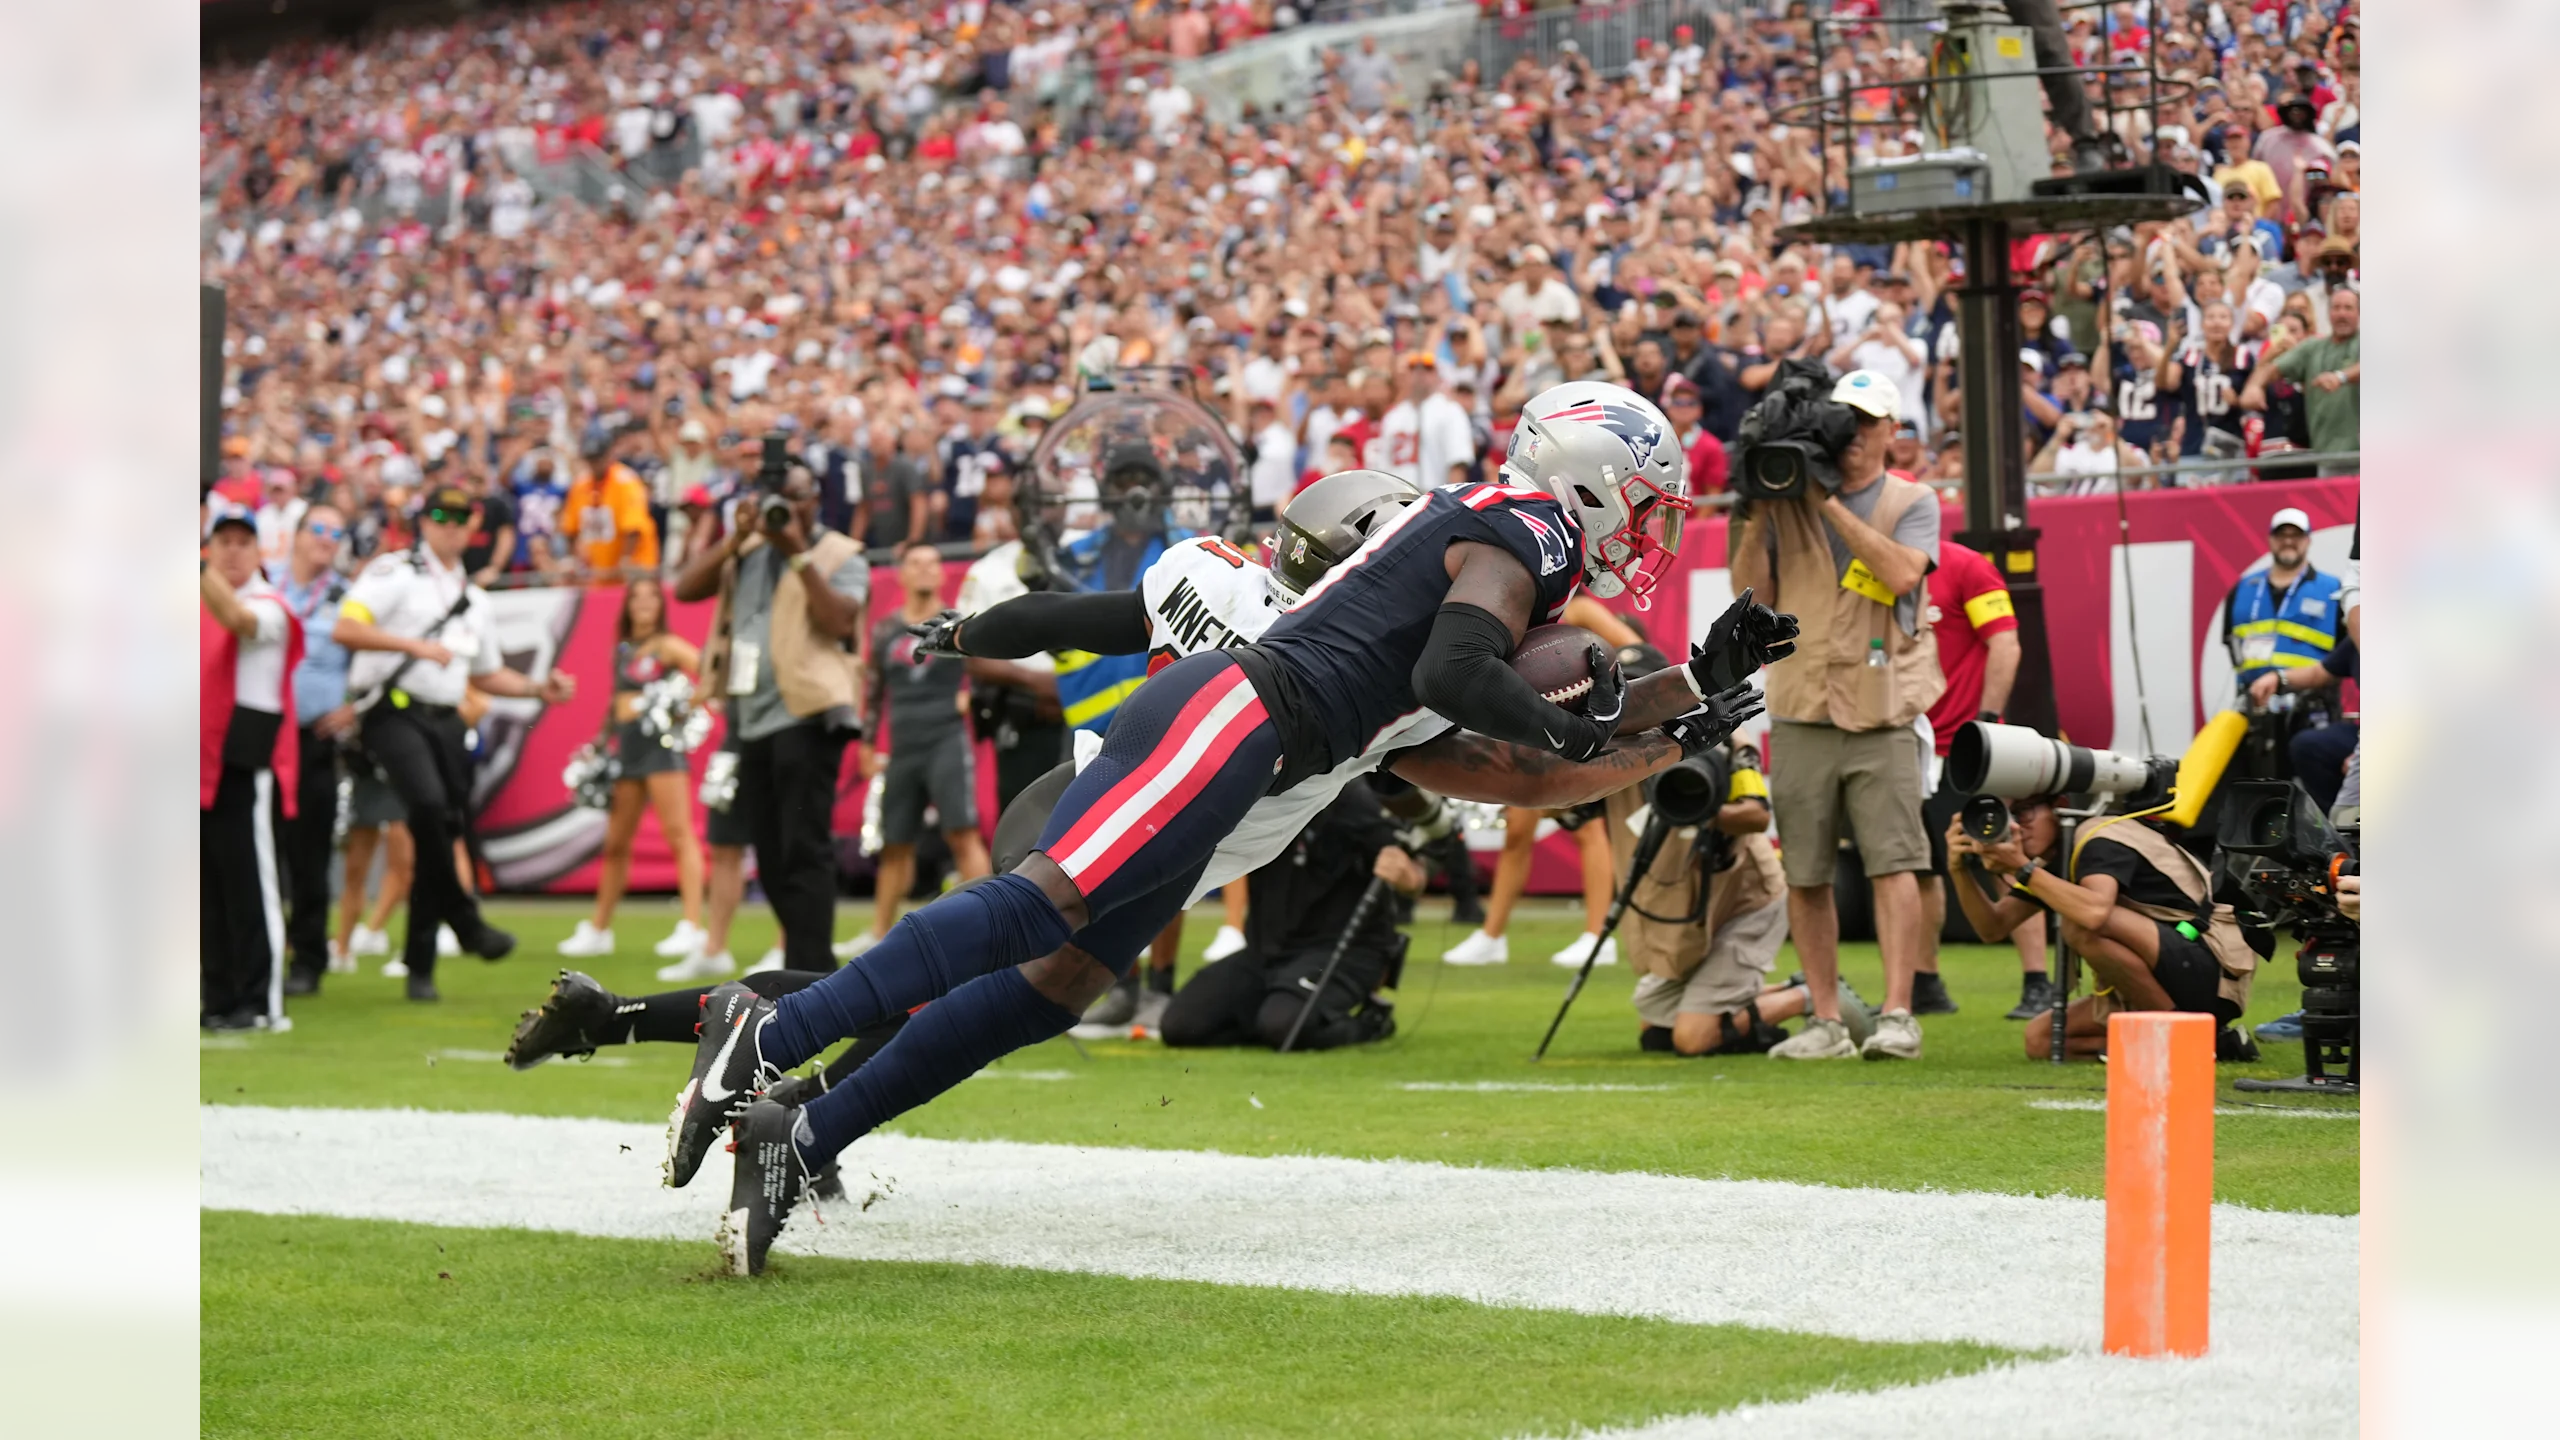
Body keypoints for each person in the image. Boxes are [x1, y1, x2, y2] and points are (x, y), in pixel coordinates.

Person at [691, 409, 1779, 1274]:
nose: (1648, 531)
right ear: (1588, 485)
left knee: (1052, 983)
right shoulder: (1522, 531)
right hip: (1242, 713)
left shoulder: (1473, 596)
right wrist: (1582, 714)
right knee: (1039, 904)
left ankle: (808, 1140)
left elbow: (1516, 769)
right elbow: (1471, 684)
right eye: (1640, 507)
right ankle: (776, 1034)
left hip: (1258, 750)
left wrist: (1686, 704)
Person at [1729, 369, 1945, 1062]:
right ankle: (1825, 1021)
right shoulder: (1786, 503)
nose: (1850, 434)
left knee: (1894, 863)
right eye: (1841, 420)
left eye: (1864, 421)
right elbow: (1749, 596)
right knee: (1807, 874)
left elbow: (1902, 574)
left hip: (1880, 709)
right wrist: (1761, 502)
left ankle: (1898, 1014)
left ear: (1890, 431)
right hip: (1800, 706)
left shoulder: (1914, 500)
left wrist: (1824, 501)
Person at [334, 485, 577, 1000]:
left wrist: (539, 688)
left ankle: (419, 967)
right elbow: (347, 627)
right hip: (393, 710)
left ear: (473, 528)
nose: (451, 524)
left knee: (440, 828)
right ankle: (466, 921)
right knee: (427, 805)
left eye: (461, 517)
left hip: (446, 718)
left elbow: (488, 674)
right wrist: (412, 644)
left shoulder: (476, 600)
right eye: (441, 514)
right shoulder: (393, 573)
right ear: (423, 522)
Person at [674, 459, 866, 975]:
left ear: (815, 500)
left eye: (794, 496)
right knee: (771, 850)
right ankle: (804, 967)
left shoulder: (839, 553)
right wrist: (734, 537)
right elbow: (685, 589)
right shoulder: (749, 549)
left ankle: (815, 968)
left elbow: (839, 620)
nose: (784, 507)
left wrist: (798, 555)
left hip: (807, 714)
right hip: (750, 715)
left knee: (806, 848)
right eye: (773, 497)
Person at [1944, 797, 2262, 1062]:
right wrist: (1958, 869)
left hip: (2212, 966)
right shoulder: (2050, 863)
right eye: (2007, 815)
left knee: (2080, 924)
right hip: (2165, 975)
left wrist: (2019, 867)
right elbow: (1992, 927)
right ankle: (2212, 1046)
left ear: (2060, 806)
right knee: (2040, 1040)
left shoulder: (2100, 836)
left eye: (2025, 812)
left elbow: (2094, 912)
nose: (2015, 826)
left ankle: (2181, 1040)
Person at [1442, 591, 1642, 968]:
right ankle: (1492, 936)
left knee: (1586, 827)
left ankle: (1597, 937)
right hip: (1534, 734)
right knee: (1517, 831)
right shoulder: (1511, 613)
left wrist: (1603, 696)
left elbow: (1637, 652)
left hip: (1582, 732)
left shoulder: (1580, 608)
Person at [1606, 739, 1834, 1056]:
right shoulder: (1612, 739)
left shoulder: (1731, 741)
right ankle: (1783, 989)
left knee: (1692, 1039)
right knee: (1656, 1032)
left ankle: (1810, 996)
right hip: (1689, 905)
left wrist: (1697, 808)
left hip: (1746, 900)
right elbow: (1559, 809)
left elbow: (1757, 815)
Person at [1157, 779, 1419, 1053]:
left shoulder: (1351, 796)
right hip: (1264, 949)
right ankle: (1274, 1012)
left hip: (1339, 950)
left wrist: (1406, 874)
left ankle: (1372, 1023)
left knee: (1286, 1027)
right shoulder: (1254, 794)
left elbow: (1410, 867)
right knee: (1181, 1026)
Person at [1910, 541, 2050, 1020]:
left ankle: (2038, 982)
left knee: (2002, 856)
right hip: (1907, 746)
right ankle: (1925, 984)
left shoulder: (1967, 566)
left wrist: (1985, 727)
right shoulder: (1871, 570)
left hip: (1965, 748)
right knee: (1919, 868)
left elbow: (2006, 642)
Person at [842, 542, 994, 961]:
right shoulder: (887, 629)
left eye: (933, 563)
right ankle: (879, 932)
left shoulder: (957, 624)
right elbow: (873, 690)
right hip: (903, 744)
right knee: (895, 842)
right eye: (916, 563)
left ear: (943, 574)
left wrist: (973, 701)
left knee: (962, 832)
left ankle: (993, 923)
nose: (926, 570)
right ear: (901, 573)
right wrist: (868, 742)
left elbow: (984, 667)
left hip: (946, 737)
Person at [556, 577, 712, 963]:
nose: (643, 604)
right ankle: (599, 929)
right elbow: (616, 702)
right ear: (626, 606)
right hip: (627, 753)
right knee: (616, 844)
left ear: (662, 605)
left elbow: (709, 675)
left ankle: (692, 927)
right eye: (636, 598)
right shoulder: (624, 650)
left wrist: (677, 708)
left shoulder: (668, 646)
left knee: (679, 835)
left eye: (651, 597)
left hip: (661, 752)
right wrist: (599, 740)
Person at [200, 504, 305, 1030]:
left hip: (245, 757)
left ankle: (261, 1000)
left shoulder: (269, 605)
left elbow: (237, 621)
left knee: (251, 886)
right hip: (201, 760)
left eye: (243, 542)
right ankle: (217, 997)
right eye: (225, 541)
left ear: (258, 551)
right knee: (207, 890)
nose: (233, 551)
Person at [270, 506, 359, 996]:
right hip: (261, 735)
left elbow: (371, 663)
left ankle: (307, 959)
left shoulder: (348, 598)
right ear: (297, 534)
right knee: (251, 851)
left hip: (313, 739)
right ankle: (251, 955)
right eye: (319, 529)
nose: (328, 539)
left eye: (336, 532)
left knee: (309, 854)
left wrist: (355, 708)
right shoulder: (266, 585)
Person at [2241, 288, 2359, 470]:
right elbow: (2274, 368)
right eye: (2336, 308)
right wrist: (2255, 385)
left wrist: (2341, 377)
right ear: (2328, 313)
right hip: (2325, 457)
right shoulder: (2313, 348)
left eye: (2348, 308)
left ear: (2359, 313)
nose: (2342, 313)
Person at [563, 432, 660, 581]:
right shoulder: (580, 485)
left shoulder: (626, 482)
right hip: (598, 571)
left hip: (632, 570)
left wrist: (626, 560)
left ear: (609, 455)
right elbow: (570, 529)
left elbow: (633, 527)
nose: (595, 463)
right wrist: (575, 559)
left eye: (598, 458)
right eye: (591, 459)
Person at [1375, 352, 1476, 491]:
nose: (1420, 374)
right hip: (1397, 500)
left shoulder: (1450, 410)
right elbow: (1382, 468)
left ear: (1437, 375)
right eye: (1414, 369)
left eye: (1427, 369)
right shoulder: (1393, 416)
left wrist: (1451, 505)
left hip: (1434, 499)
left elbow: (1457, 464)